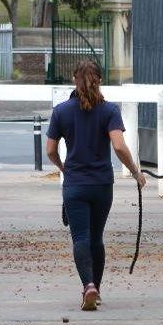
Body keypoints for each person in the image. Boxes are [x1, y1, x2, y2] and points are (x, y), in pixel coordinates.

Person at [45, 59, 144, 310]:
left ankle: (87, 285)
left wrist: (63, 168)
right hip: (101, 185)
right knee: (96, 238)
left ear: (74, 80)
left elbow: (50, 150)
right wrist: (135, 171)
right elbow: (119, 146)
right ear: (100, 80)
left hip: (75, 184)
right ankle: (96, 289)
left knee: (80, 237)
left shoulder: (61, 111)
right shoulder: (109, 110)